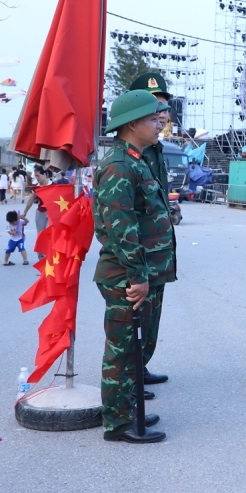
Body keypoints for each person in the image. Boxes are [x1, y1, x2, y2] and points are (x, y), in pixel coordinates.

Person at [92, 90, 175, 444]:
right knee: (122, 350)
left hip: (144, 274)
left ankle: (128, 410)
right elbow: (122, 228)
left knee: (135, 350)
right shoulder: (119, 166)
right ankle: (118, 423)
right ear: (131, 124)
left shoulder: (136, 160)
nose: (159, 124)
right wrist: (138, 278)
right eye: (151, 119)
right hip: (127, 276)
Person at [127, 72, 176, 387]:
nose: (161, 114)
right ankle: (128, 377)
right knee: (134, 318)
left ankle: (140, 367)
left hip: (157, 251)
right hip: (139, 252)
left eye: (164, 106)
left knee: (152, 318)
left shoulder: (156, 148)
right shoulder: (131, 151)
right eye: (154, 106)